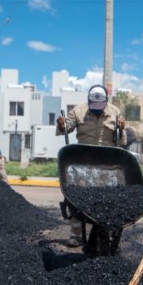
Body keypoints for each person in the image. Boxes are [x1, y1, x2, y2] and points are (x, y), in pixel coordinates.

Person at [56, 85, 127, 246]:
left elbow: (121, 140)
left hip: (106, 163)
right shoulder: (79, 111)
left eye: (100, 106)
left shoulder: (115, 112)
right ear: (88, 101)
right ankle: (76, 235)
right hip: (83, 160)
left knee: (107, 199)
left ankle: (105, 233)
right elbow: (65, 128)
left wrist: (121, 129)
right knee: (76, 196)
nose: (96, 109)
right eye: (93, 106)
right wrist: (61, 125)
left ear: (106, 101)